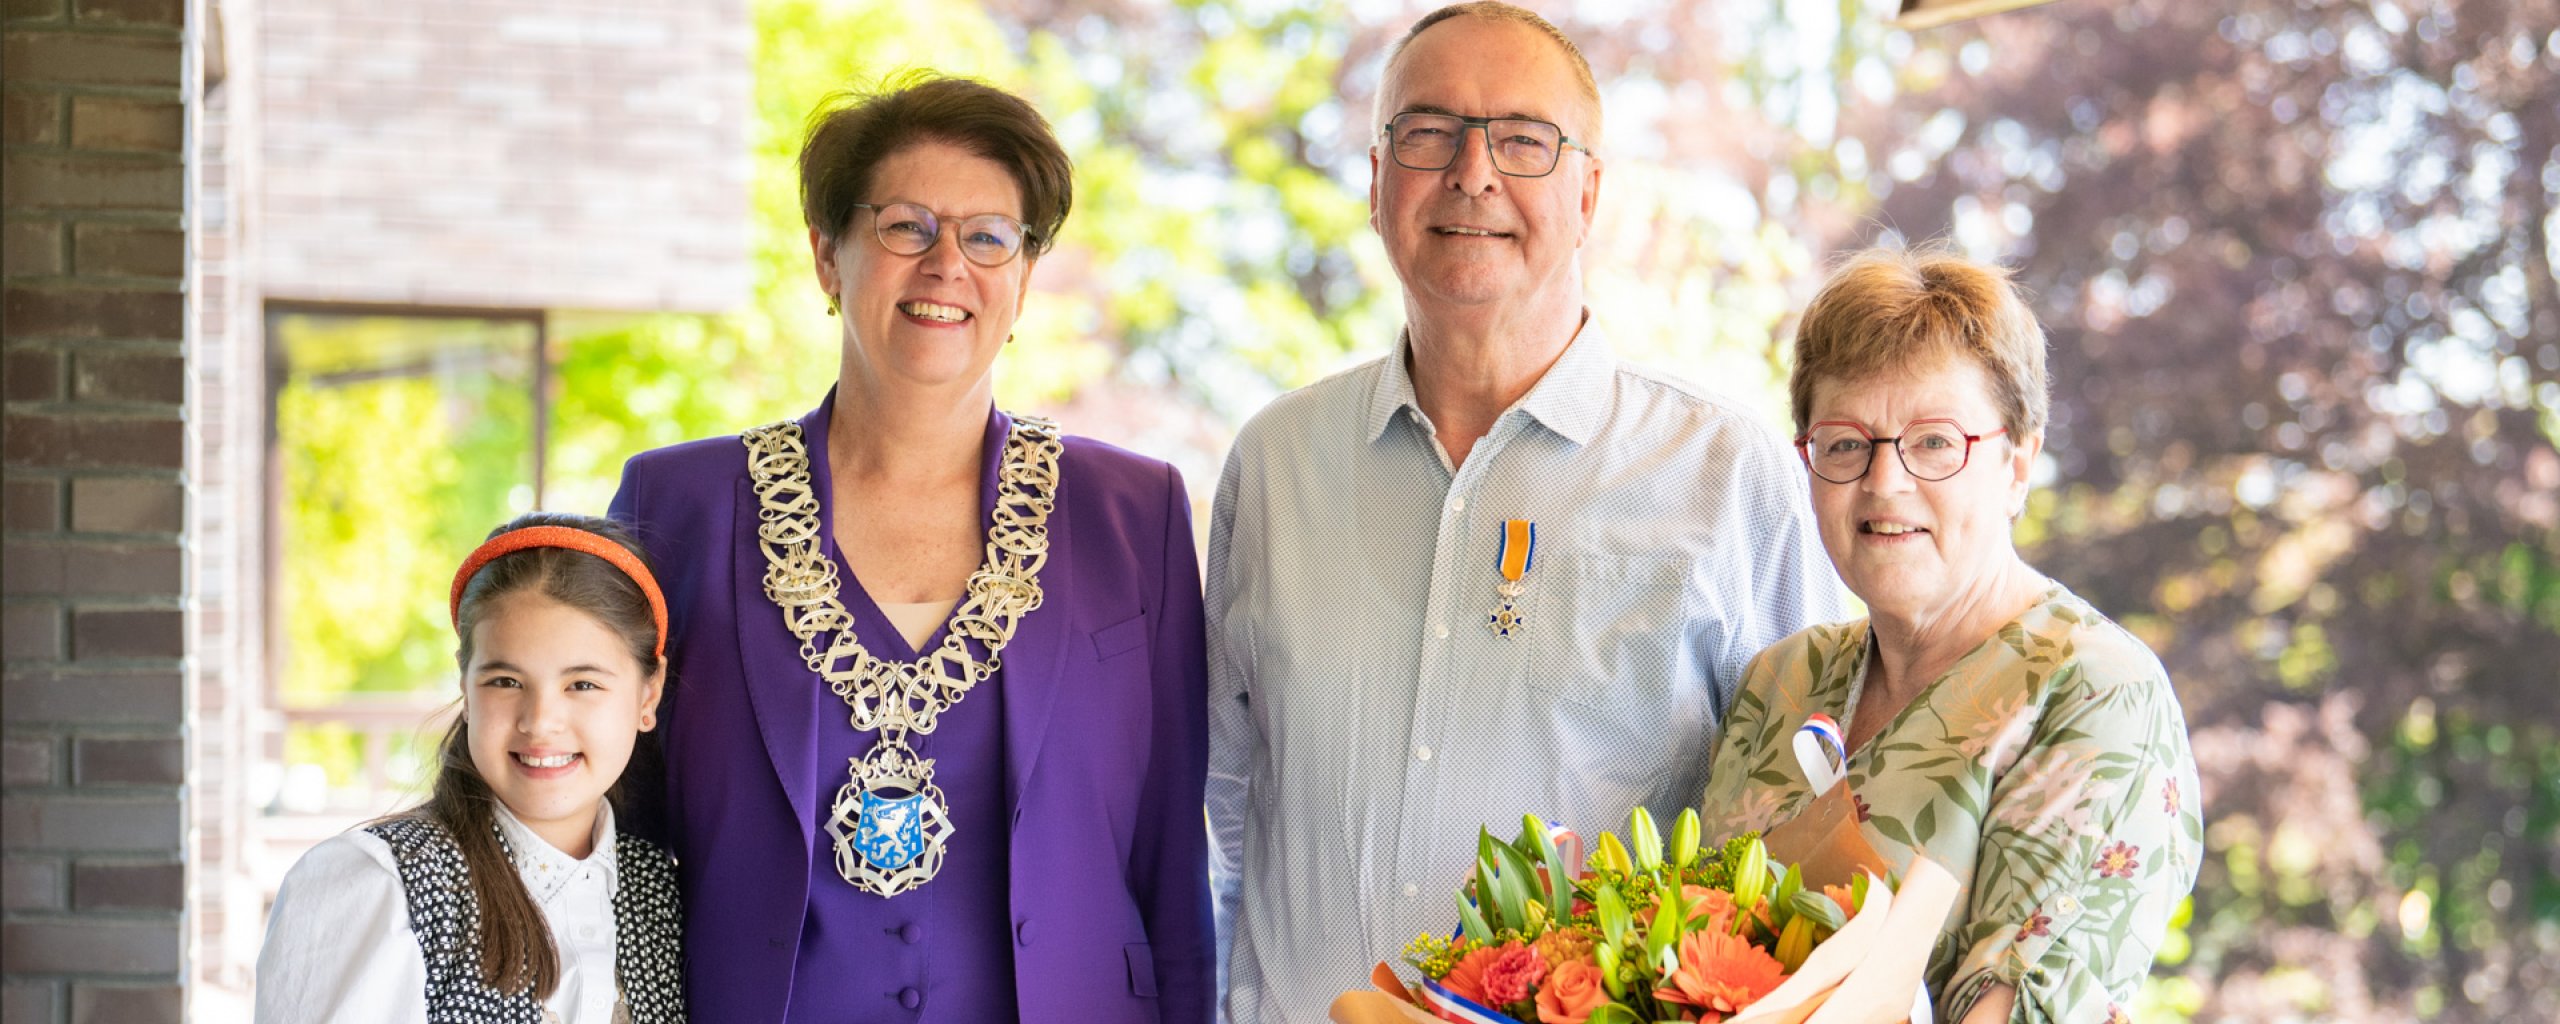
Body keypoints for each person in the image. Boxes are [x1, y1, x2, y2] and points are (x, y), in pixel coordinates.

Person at [1204, 4, 1848, 1019]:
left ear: (1588, 192)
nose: (1472, 172)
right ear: (1376, 182)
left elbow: (1808, 850)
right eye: (1427, 132)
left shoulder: (1727, 480)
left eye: (1523, 139)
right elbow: (1223, 821)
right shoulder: (1274, 465)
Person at [608, 73, 1212, 1024]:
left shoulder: (1135, 514)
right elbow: (614, 836)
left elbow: (1171, 855)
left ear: (1021, 276)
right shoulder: (677, 507)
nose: (947, 265)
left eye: (988, 237)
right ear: (826, 256)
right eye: (904, 227)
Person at [1694, 246, 2204, 1022]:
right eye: (1845, 443)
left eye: (1934, 441)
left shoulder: (2093, 692)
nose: (1883, 481)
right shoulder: (1779, 682)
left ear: (2017, 464)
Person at [256, 512, 685, 1023]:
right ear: (465, 683)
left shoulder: (662, 893)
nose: (540, 722)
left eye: (583, 684)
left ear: (648, 692)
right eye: (505, 681)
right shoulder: (379, 885)